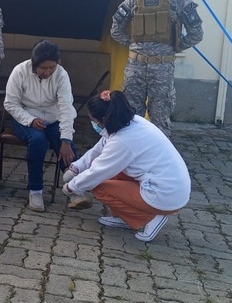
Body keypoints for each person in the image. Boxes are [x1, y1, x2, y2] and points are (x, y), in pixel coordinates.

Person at [62, 90, 190, 242]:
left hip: (164, 194)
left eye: (93, 120)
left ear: (103, 119)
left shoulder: (123, 141)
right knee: (114, 175)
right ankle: (125, 218)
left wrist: (72, 187)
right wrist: (77, 167)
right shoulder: (130, 122)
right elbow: (100, 148)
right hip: (170, 185)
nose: (93, 124)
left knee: (99, 187)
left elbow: (98, 172)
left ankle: (150, 218)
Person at [110, 0, 203, 137]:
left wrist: (174, 47)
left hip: (161, 68)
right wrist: (133, 45)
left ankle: (159, 162)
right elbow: (115, 28)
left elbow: (196, 33)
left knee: (160, 119)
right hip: (135, 68)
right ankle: (132, 159)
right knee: (130, 117)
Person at [3, 40, 88, 212]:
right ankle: (35, 191)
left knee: (66, 145)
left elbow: (66, 108)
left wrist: (65, 139)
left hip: (52, 118)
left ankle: (75, 189)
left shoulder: (61, 75)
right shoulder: (20, 71)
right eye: (43, 68)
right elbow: (11, 104)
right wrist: (30, 120)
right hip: (25, 118)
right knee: (38, 140)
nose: (48, 72)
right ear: (33, 64)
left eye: (52, 67)